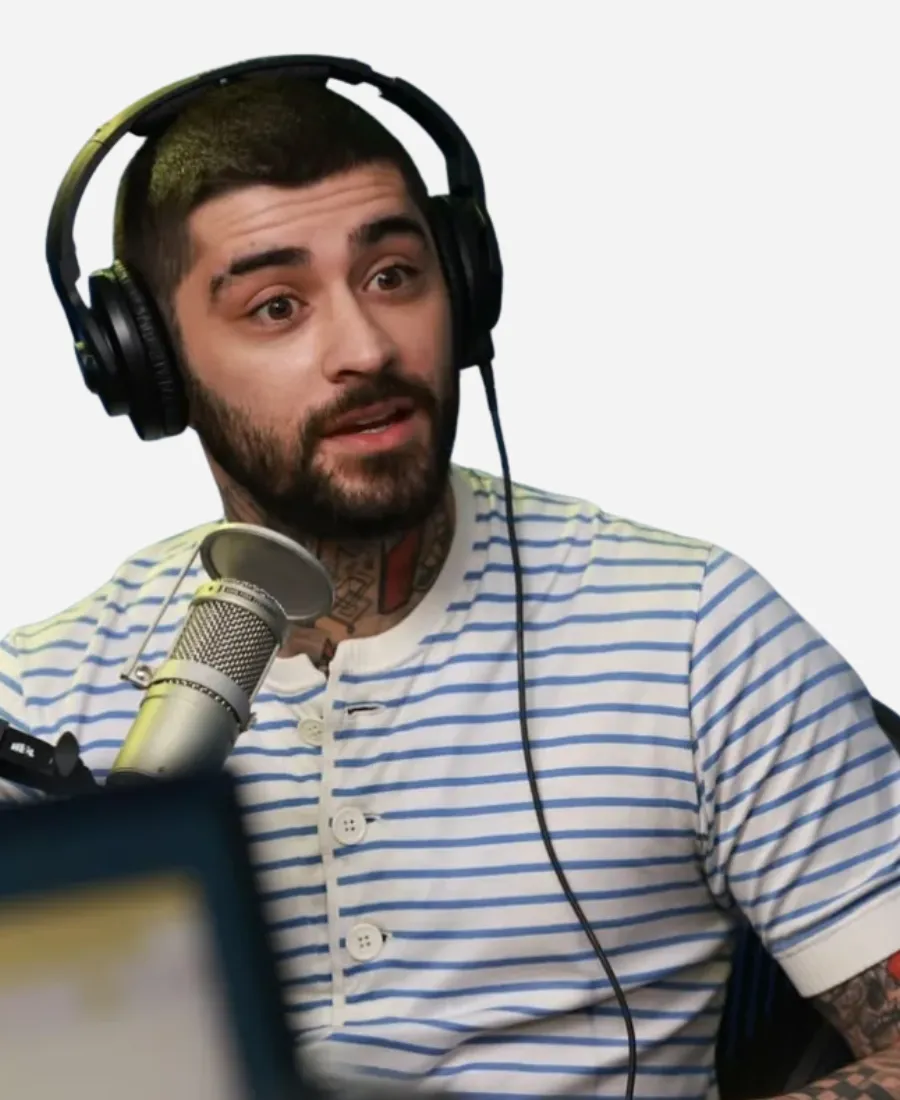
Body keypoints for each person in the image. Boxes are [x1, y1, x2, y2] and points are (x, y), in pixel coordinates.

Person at [2, 66, 899, 1100]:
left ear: (463, 289)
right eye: (277, 306)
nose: (367, 347)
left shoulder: (699, 637)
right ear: (150, 365)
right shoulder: (37, 695)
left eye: (393, 276)